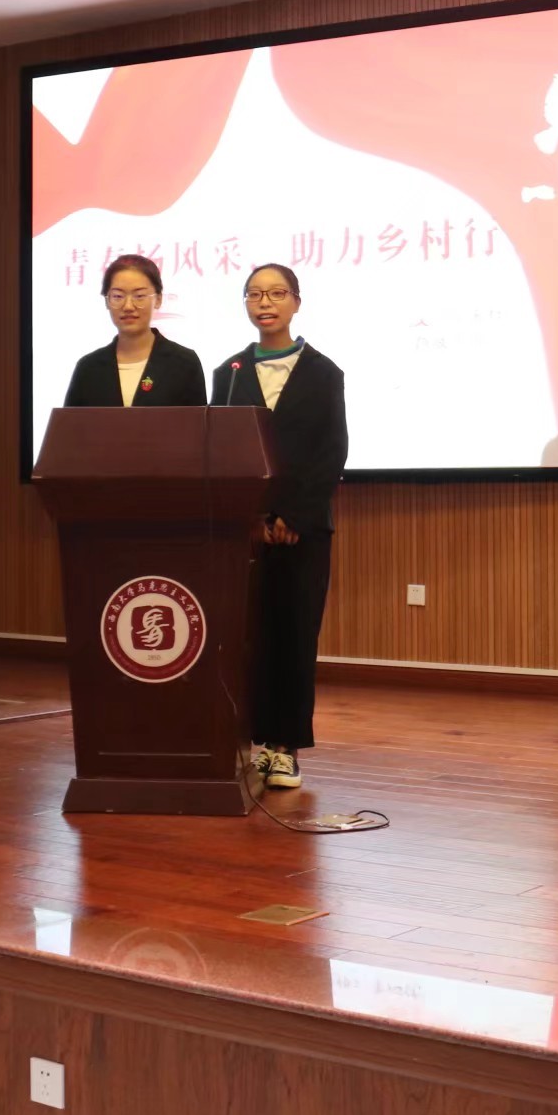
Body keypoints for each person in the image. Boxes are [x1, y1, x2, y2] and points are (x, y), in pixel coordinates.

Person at [212, 263, 348, 790]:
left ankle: (285, 748)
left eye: (276, 293)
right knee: (247, 638)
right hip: (243, 532)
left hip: (303, 530)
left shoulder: (324, 372)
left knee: (294, 636)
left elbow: (330, 452)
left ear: (296, 302)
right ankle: (247, 741)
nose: (264, 303)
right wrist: (253, 517)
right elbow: (222, 451)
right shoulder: (229, 373)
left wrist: (293, 515)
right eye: (254, 294)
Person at [62, 253, 207, 410]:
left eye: (139, 296)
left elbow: (197, 424)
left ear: (158, 299)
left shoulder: (184, 363)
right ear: (107, 301)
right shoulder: (88, 368)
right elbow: (70, 424)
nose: (128, 306)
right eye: (118, 296)